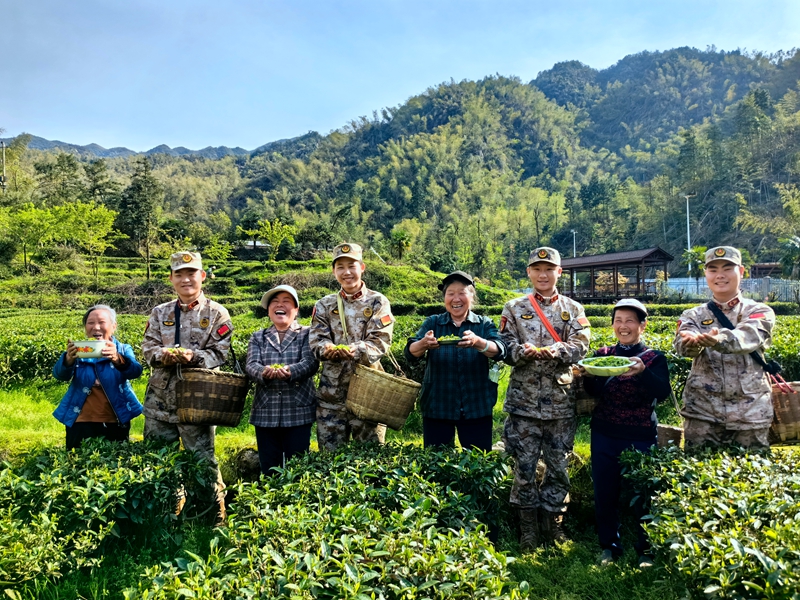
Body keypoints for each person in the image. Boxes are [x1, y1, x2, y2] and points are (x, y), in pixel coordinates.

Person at [501, 247, 590, 550]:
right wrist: (519, 352)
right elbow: (504, 346)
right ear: (529, 272)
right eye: (537, 269)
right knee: (524, 468)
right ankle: (527, 529)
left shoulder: (573, 308)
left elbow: (581, 345)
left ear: (559, 273)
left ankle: (554, 525)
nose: (543, 274)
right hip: (523, 404)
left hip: (560, 402)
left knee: (558, 467)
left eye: (549, 269)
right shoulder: (513, 307)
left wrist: (559, 350)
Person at [141, 251, 234, 520]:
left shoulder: (217, 313)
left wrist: (194, 357)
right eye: (179, 274)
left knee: (203, 460)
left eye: (191, 273)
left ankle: (212, 516)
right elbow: (148, 349)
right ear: (171, 279)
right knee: (158, 460)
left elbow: (220, 353)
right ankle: (165, 515)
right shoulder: (160, 312)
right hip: (160, 401)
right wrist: (163, 355)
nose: (185, 279)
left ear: (202, 276)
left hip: (198, 402)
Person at [581, 299, 671, 567]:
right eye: (618, 320)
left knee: (642, 493)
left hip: (640, 435)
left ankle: (646, 548)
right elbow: (594, 391)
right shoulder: (603, 353)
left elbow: (662, 392)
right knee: (605, 491)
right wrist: (586, 374)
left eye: (630, 320)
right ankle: (609, 546)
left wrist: (642, 373)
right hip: (604, 433)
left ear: (642, 325)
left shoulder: (653, 358)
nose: (623, 326)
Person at [674, 246, 776, 449]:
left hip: (751, 413)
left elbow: (749, 335)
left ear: (741, 271)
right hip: (703, 413)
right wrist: (690, 343)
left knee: (751, 475)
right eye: (713, 270)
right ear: (706, 274)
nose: (720, 275)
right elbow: (683, 347)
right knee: (697, 474)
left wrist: (719, 339)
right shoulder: (692, 315)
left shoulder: (759, 310)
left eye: (727, 268)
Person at [405, 271, 506, 451]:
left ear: (471, 295)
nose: (456, 298)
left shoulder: (483, 324)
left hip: (477, 405)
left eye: (462, 292)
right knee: (435, 463)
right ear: (444, 297)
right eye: (450, 293)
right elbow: (410, 352)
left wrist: (478, 342)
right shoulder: (433, 323)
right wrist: (424, 343)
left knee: (478, 462)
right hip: (438, 404)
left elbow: (500, 349)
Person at [308, 242, 394, 452]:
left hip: (367, 393)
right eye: (340, 267)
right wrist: (327, 348)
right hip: (331, 396)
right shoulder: (324, 305)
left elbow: (380, 341)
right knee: (330, 460)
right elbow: (316, 340)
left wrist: (358, 350)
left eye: (351, 266)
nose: (346, 272)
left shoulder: (377, 302)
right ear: (333, 271)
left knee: (371, 459)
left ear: (362, 268)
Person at [246, 285, 319, 474]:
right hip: (266, 411)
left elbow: (310, 363)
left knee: (298, 466)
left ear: (296, 310)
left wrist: (291, 370)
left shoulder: (307, 334)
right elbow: (251, 365)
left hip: (298, 410)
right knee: (269, 467)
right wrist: (263, 372)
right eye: (275, 302)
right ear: (269, 310)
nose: (280, 305)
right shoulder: (258, 337)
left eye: (287, 301)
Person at [53, 305, 143, 450]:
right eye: (90, 323)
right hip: (80, 420)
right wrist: (68, 359)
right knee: (77, 462)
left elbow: (135, 371)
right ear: (85, 327)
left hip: (116, 419)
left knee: (115, 463)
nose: (96, 327)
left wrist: (117, 358)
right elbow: (59, 375)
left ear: (113, 326)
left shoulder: (122, 349)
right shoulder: (78, 350)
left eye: (102, 322)